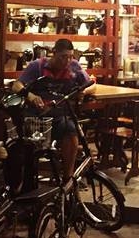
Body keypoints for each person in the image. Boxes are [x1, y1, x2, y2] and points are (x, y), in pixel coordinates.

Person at [12, 38, 96, 181]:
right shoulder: (37, 66)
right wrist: (30, 96)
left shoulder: (74, 66)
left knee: (71, 131)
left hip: (60, 116)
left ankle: (68, 179)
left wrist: (83, 91)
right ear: (54, 53)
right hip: (38, 117)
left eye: (70, 57)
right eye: (63, 57)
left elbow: (92, 85)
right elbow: (16, 85)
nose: (67, 61)